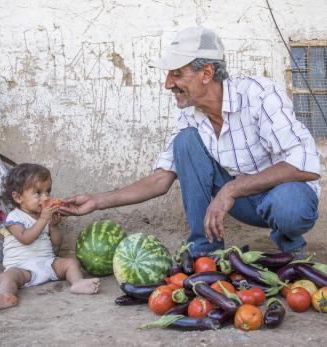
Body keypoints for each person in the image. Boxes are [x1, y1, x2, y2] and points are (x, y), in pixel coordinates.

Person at [60, 26, 320, 256]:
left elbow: (304, 166)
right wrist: (97, 201)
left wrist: (231, 189)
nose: (167, 84)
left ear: (206, 73)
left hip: (284, 197)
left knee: (288, 206)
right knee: (185, 142)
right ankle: (205, 251)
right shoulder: (190, 117)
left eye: (176, 73)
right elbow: (160, 180)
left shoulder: (259, 95)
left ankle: (288, 241)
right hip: (244, 203)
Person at [0, 163, 100, 311]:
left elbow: (56, 243)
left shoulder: (44, 216)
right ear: (18, 197)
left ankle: (77, 283)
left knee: (71, 262)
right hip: (22, 268)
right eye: (38, 193)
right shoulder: (14, 217)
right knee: (7, 277)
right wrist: (44, 220)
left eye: (47, 192)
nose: (45, 197)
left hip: (47, 264)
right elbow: (25, 238)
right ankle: (5, 296)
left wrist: (54, 226)